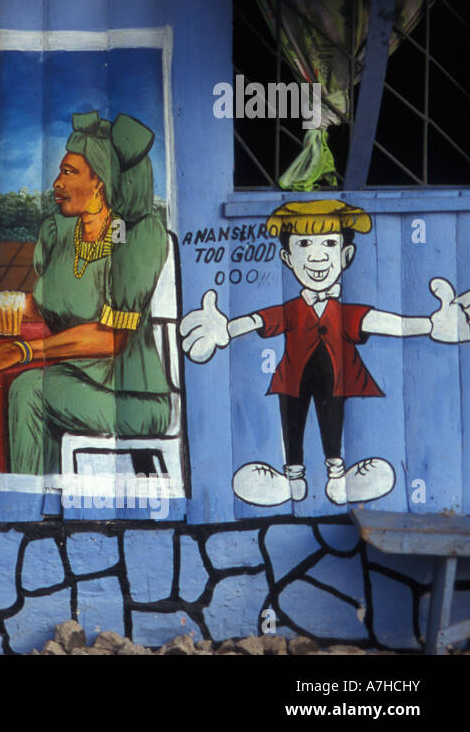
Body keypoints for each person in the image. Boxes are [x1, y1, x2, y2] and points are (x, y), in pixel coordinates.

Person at [180, 199, 470, 506]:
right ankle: (292, 475)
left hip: (336, 382)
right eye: (304, 243)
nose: (317, 256)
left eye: (329, 243)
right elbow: (259, 320)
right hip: (292, 382)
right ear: (287, 257)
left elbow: (386, 323)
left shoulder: (344, 312)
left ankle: (337, 473)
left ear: (346, 255)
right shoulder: (291, 309)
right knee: (292, 422)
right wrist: (224, 330)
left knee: (333, 422)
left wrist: (429, 325)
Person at [0, 112, 172, 476]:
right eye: (60, 172)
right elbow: (47, 307)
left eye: (69, 173)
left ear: (101, 183)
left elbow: (112, 338)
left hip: (131, 398)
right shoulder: (59, 231)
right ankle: (39, 496)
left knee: (30, 389)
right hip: (73, 379)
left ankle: (26, 504)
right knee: (25, 386)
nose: (56, 183)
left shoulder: (138, 236)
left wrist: (23, 350)